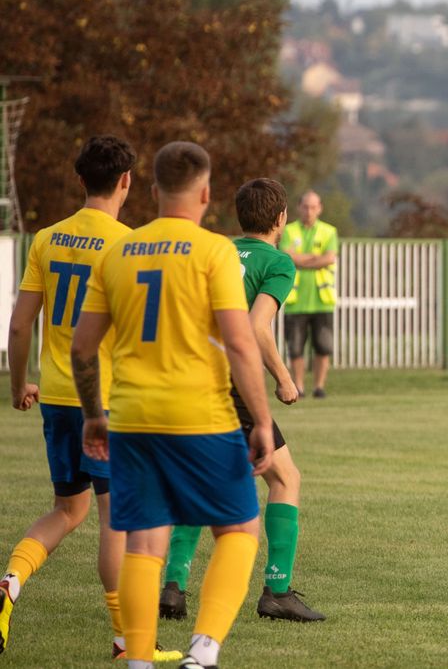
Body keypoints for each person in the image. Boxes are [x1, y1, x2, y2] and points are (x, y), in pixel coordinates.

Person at [71, 141, 273, 669]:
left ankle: (138, 658)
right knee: (239, 528)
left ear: (153, 190)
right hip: (201, 416)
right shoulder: (214, 251)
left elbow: (82, 347)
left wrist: (94, 413)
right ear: (206, 193)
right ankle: (202, 653)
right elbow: (240, 342)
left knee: (144, 541)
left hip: (133, 418)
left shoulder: (117, 252)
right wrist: (263, 420)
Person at [1, 136, 181, 662]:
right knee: (113, 518)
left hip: (57, 397)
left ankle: (9, 580)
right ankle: (128, 641)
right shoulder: (129, 245)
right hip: (104, 403)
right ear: (127, 182)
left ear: (80, 180)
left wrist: (17, 386)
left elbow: (18, 325)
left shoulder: (47, 239)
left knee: (65, 509)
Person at [159, 178, 325, 623]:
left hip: (191, 377)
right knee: (285, 479)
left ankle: (172, 587)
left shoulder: (214, 250)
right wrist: (285, 378)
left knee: (199, 481)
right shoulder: (277, 262)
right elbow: (255, 328)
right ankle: (277, 591)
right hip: (235, 384)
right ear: (281, 218)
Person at [281, 190, 338, 399]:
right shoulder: (288, 231)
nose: (309, 211)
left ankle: (319, 387)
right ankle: (299, 386)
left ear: (320, 208)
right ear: (299, 207)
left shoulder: (329, 231)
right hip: (296, 301)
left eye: (313, 207)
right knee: (295, 348)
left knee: (323, 347)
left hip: (322, 301)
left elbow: (329, 258)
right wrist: (314, 259)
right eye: (305, 206)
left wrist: (301, 259)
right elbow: (287, 256)